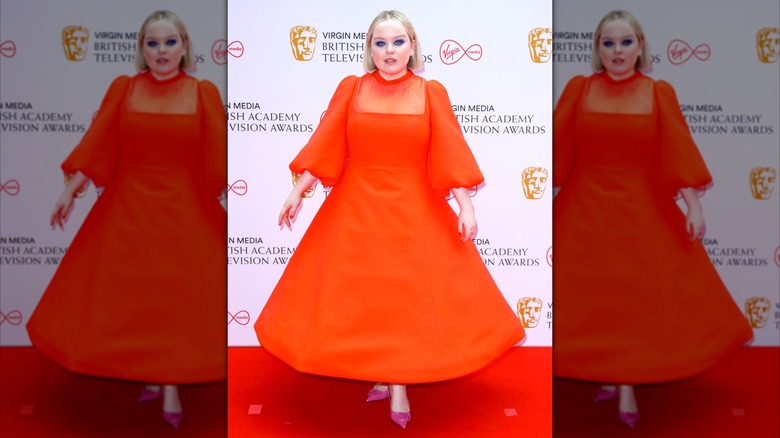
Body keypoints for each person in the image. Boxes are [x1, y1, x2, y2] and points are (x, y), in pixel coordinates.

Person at [254, 10, 524, 430]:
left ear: (412, 46)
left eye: (398, 42)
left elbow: (449, 151)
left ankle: (398, 384)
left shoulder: (431, 92)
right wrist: (297, 190)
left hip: (413, 212)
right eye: (380, 43)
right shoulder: (352, 88)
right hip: (354, 210)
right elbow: (327, 144)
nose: (389, 51)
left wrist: (466, 206)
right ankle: (379, 370)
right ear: (369, 49)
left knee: (405, 301)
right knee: (365, 298)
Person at [552, 9, 753, 429]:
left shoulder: (658, 92)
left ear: (640, 46)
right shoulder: (579, 89)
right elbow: (558, 153)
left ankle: (627, 383)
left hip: (641, 212)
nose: (617, 51)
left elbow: (676, 151)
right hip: (585, 212)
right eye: (608, 44)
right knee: (597, 300)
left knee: (637, 302)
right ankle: (609, 372)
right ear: (597, 50)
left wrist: (694, 206)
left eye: (626, 42)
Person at [26, 10, 227, 430]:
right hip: (127, 211)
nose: (161, 52)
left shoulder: (203, 92)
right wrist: (69, 190)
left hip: (184, 213)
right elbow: (99, 143)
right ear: (141, 50)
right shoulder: (124, 89)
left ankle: (171, 384)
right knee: (134, 298)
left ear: (185, 46)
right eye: (152, 44)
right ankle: (149, 372)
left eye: (170, 42)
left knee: (175, 301)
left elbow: (217, 157)